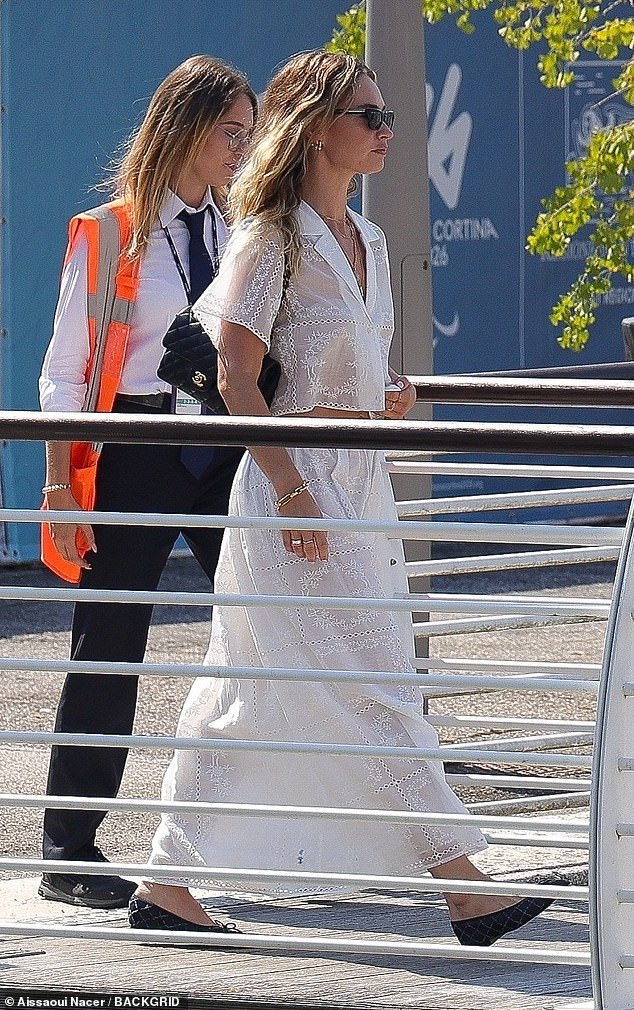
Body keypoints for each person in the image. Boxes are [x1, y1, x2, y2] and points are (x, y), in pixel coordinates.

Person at [128, 50, 562, 946]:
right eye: (369, 116)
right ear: (318, 126)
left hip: (359, 488)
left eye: (389, 116)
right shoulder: (269, 236)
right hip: (296, 495)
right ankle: (464, 886)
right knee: (376, 683)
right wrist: (291, 491)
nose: (385, 131)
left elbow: (354, 359)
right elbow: (237, 381)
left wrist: (387, 390)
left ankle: (167, 880)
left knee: (247, 691)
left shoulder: (365, 241)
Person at [37, 55, 257, 909]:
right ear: (188, 129)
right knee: (110, 642)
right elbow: (64, 372)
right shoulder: (111, 232)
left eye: (248, 134)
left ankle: (294, 832)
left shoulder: (242, 228)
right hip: (137, 446)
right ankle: (69, 850)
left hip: (226, 449)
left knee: (270, 629)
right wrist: (61, 485)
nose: (243, 148)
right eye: (231, 133)